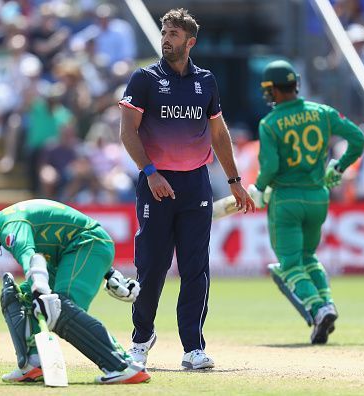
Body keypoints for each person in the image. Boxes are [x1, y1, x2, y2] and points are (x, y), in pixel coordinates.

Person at [118, 8, 254, 369]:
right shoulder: (144, 78)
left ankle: (193, 347)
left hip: (195, 184)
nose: (166, 39)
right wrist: (150, 172)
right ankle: (140, 339)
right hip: (156, 183)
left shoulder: (206, 81)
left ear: (190, 42)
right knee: (152, 266)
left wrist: (234, 181)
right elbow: (127, 131)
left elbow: (219, 132)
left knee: (196, 267)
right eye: (165, 32)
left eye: (174, 34)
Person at [0, 199, 151, 385]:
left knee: (58, 307)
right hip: (67, 253)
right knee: (17, 296)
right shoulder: (6, 223)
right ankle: (34, 362)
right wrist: (110, 273)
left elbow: (30, 257)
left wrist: (41, 289)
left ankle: (122, 365)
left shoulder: (9, 225)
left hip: (87, 244)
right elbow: (61, 230)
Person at [248, 60, 364, 344]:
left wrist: (258, 188)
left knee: (289, 264)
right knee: (309, 257)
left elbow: (272, 165)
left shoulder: (270, 123)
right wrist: (338, 168)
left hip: (287, 198)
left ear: (273, 90)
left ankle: (318, 307)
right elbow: (358, 139)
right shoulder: (322, 112)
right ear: (296, 84)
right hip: (317, 196)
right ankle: (326, 303)